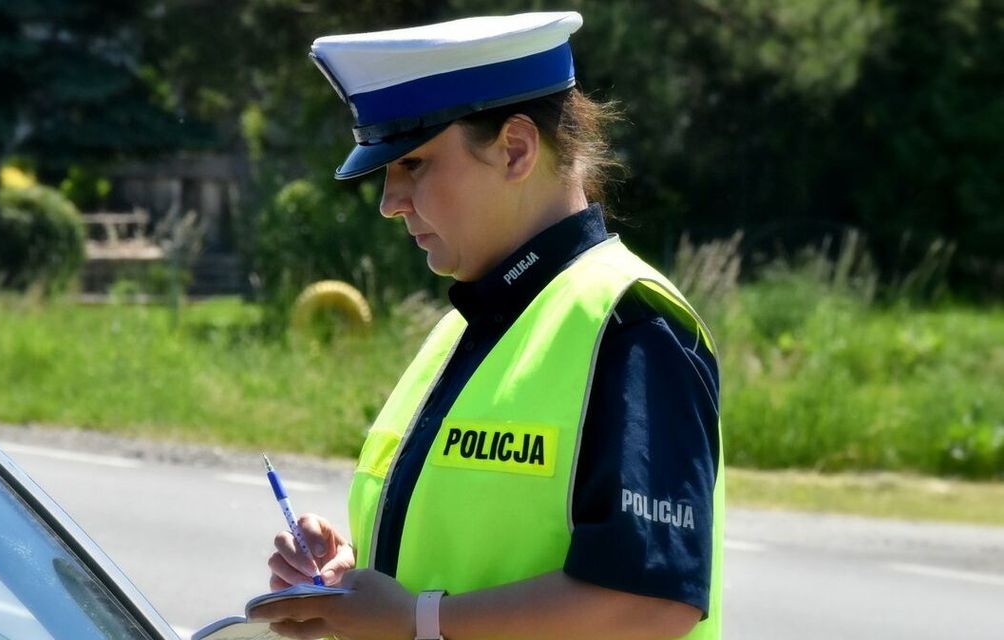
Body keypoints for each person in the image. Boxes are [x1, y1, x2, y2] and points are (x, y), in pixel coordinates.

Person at [253, 11, 723, 640]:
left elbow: (650, 602)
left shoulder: (630, 322)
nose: (390, 201)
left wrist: (415, 620)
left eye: (413, 164)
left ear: (516, 149)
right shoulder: (460, 331)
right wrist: (351, 581)